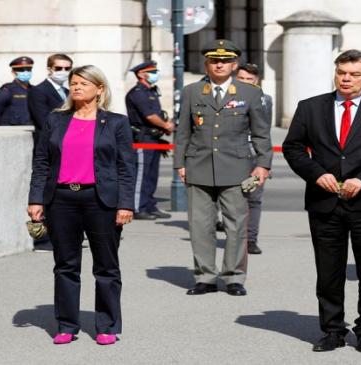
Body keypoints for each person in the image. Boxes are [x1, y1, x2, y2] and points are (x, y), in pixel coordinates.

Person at [283, 50, 361, 353]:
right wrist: (316, 174)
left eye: (354, 74)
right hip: (324, 202)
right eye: (341, 72)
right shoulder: (310, 108)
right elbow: (293, 147)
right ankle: (332, 329)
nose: (346, 79)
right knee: (328, 271)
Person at [27, 65, 135, 345]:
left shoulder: (116, 123)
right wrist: (36, 198)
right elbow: (41, 162)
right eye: (73, 83)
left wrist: (125, 204)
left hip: (101, 201)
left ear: (99, 89)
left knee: (106, 267)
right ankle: (66, 324)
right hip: (61, 200)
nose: (76, 87)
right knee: (65, 265)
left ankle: (107, 326)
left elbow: (126, 167)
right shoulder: (56, 120)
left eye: (83, 83)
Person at [173, 39, 272, 297]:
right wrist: (180, 163)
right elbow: (183, 131)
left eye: (225, 60)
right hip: (199, 165)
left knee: (236, 225)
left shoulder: (250, 93)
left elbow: (261, 133)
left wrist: (262, 165)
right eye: (214, 60)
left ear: (234, 64)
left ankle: (233, 277)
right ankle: (205, 277)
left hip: (237, 167)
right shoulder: (192, 91)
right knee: (200, 225)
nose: (219, 64)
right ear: (206, 64)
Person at [27, 53, 73, 253]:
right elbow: (43, 120)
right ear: (49, 69)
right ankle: (43, 239)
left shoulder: (67, 91)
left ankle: (64, 237)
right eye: (59, 68)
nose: (63, 72)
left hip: (67, 149)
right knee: (46, 192)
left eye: (67, 68)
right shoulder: (39, 91)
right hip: (48, 148)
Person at [229, 63, 272, 254]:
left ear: (257, 81)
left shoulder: (265, 100)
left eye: (250, 80)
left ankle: (251, 240)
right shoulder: (224, 97)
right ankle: (234, 238)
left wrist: (264, 161)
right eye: (242, 79)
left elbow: (263, 130)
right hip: (230, 156)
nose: (246, 83)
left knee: (254, 200)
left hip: (253, 156)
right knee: (230, 199)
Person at [125, 60, 174, 220]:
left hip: (153, 138)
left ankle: (150, 205)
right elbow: (150, 116)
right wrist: (166, 125)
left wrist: (164, 126)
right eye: (152, 71)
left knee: (152, 175)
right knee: (141, 175)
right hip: (142, 138)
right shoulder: (138, 92)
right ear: (141, 74)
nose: (155, 74)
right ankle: (138, 207)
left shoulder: (151, 91)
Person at [0, 56, 34, 125]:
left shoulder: (35, 90)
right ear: (13, 72)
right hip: (11, 131)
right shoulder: (6, 91)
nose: (26, 72)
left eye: (28, 69)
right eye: (21, 70)